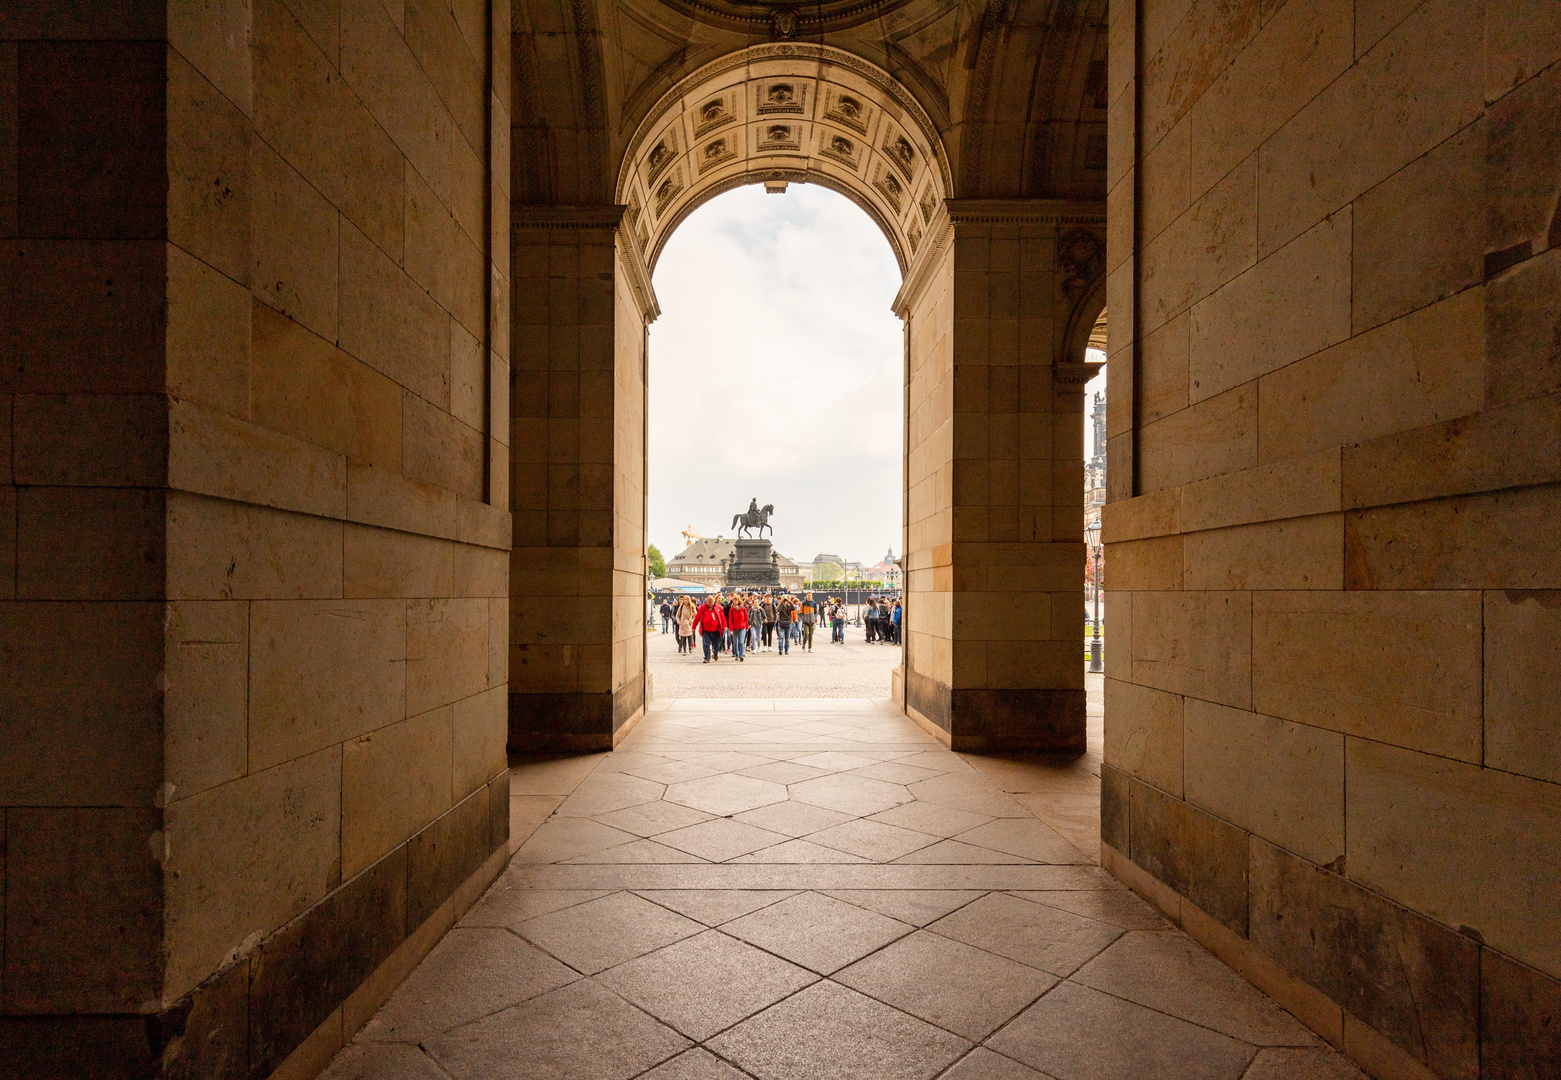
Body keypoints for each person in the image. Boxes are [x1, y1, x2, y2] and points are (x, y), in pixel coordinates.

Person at [695, 595, 726, 663]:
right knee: (706, 644)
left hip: (716, 630)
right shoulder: (702, 608)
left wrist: (725, 626)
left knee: (717, 644)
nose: (710, 604)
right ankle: (707, 658)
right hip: (706, 630)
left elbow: (722, 618)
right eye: (709, 602)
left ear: (714, 601)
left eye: (712, 602)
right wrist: (693, 627)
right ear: (706, 601)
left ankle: (715, 654)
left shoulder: (719, 608)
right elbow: (697, 617)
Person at [726, 596, 750, 661]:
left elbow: (746, 619)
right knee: (735, 642)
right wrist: (731, 629)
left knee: (741, 642)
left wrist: (747, 627)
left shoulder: (743, 609)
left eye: (736, 600)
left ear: (739, 601)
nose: (735, 601)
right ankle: (736, 654)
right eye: (734, 600)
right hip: (734, 628)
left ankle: (741, 654)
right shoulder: (731, 610)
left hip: (742, 627)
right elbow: (730, 620)